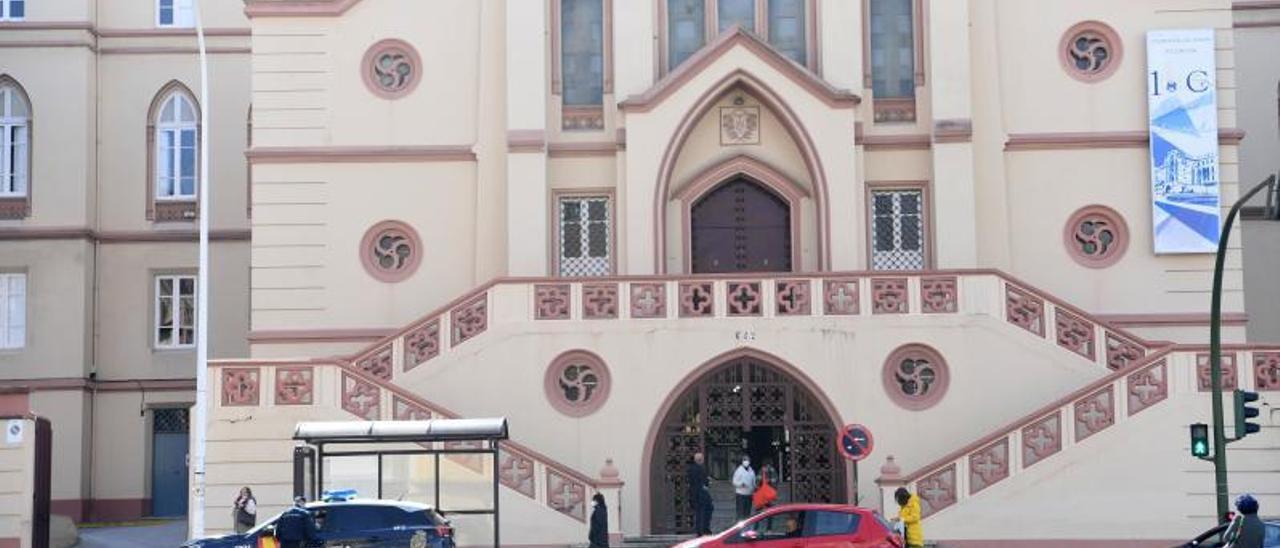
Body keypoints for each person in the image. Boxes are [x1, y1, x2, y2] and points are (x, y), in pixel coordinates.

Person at [685, 452, 713, 536]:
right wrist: (707, 481)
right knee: (702, 512)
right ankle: (702, 530)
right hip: (701, 494)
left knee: (701, 512)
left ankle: (702, 529)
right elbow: (702, 481)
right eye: (702, 458)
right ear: (700, 460)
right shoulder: (699, 468)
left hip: (695, 494)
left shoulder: (691, 468)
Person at [732, 455, 756, 521]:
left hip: (749, 494)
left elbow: (753, 481)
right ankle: (738, 528)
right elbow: (734, 482)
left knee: (747, 513)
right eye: (745, 460)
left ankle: (746, 527)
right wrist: (741, 484)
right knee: (740, 512)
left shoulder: (751, 470)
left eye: (748, 460)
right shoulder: (738, 470)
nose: (746, 462)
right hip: (741, 494)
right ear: (742, 461)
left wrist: (754, 488)